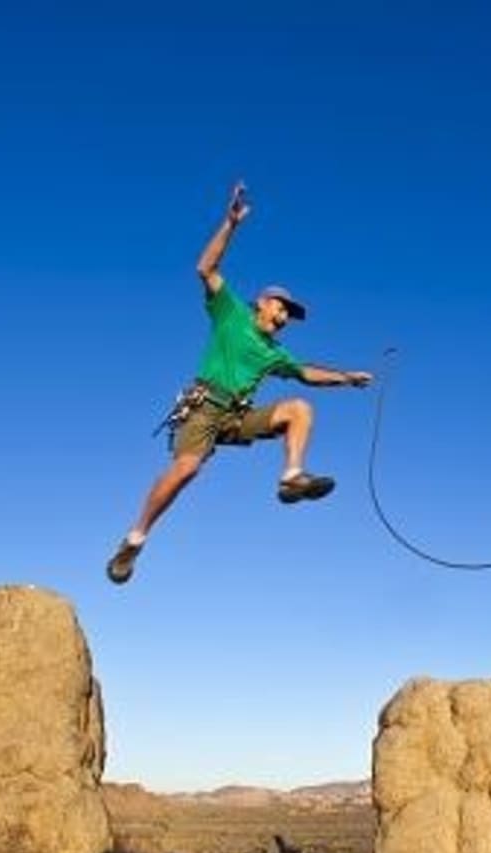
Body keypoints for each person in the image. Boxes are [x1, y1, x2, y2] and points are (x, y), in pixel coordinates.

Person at [107, 182, 374, 584]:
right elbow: (206, 269)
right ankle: (135, 538)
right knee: (186, 470)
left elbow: (307, 374)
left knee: (299, 408)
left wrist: (347, 378)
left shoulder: (274, 352)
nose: (285, 317)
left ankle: (291, 478)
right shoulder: (231, 313)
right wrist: (230, 224)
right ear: (263, 302)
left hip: (237, 416)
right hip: (205, 407)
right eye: (282, 308)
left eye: (289, 315)